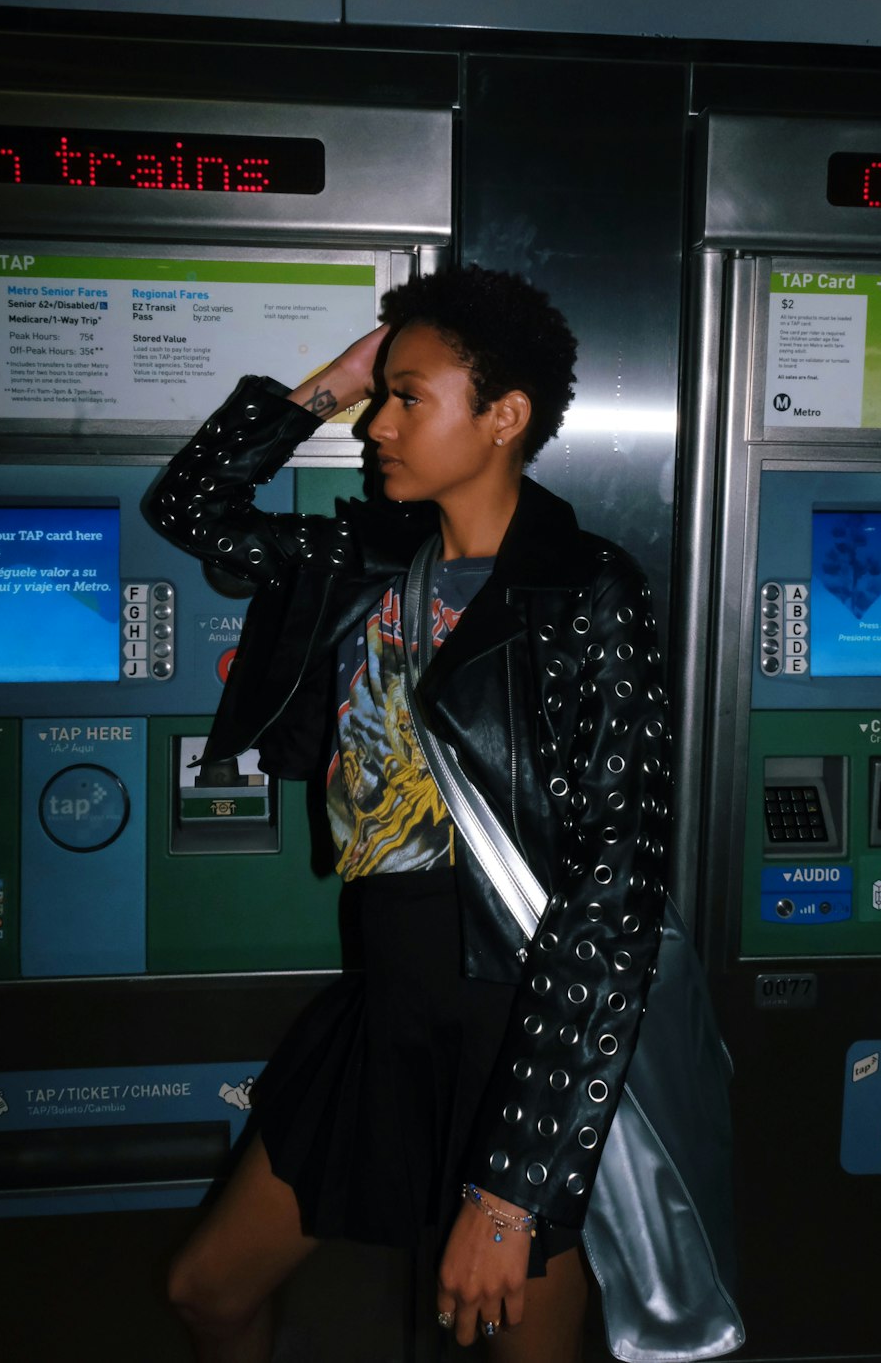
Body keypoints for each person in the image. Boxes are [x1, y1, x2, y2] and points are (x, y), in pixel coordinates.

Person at [145, 266, 670, 1363]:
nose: (376, 424)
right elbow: (189, 505)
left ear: (503, 417)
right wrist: (334, 381)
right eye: (378, 397)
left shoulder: (587, 593)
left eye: (406, 398)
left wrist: (515, 1189)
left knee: (515, 1347)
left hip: (517, 1030)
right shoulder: (362, 560)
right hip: (381, 1004)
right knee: (208, 1291)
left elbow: (614, 894)